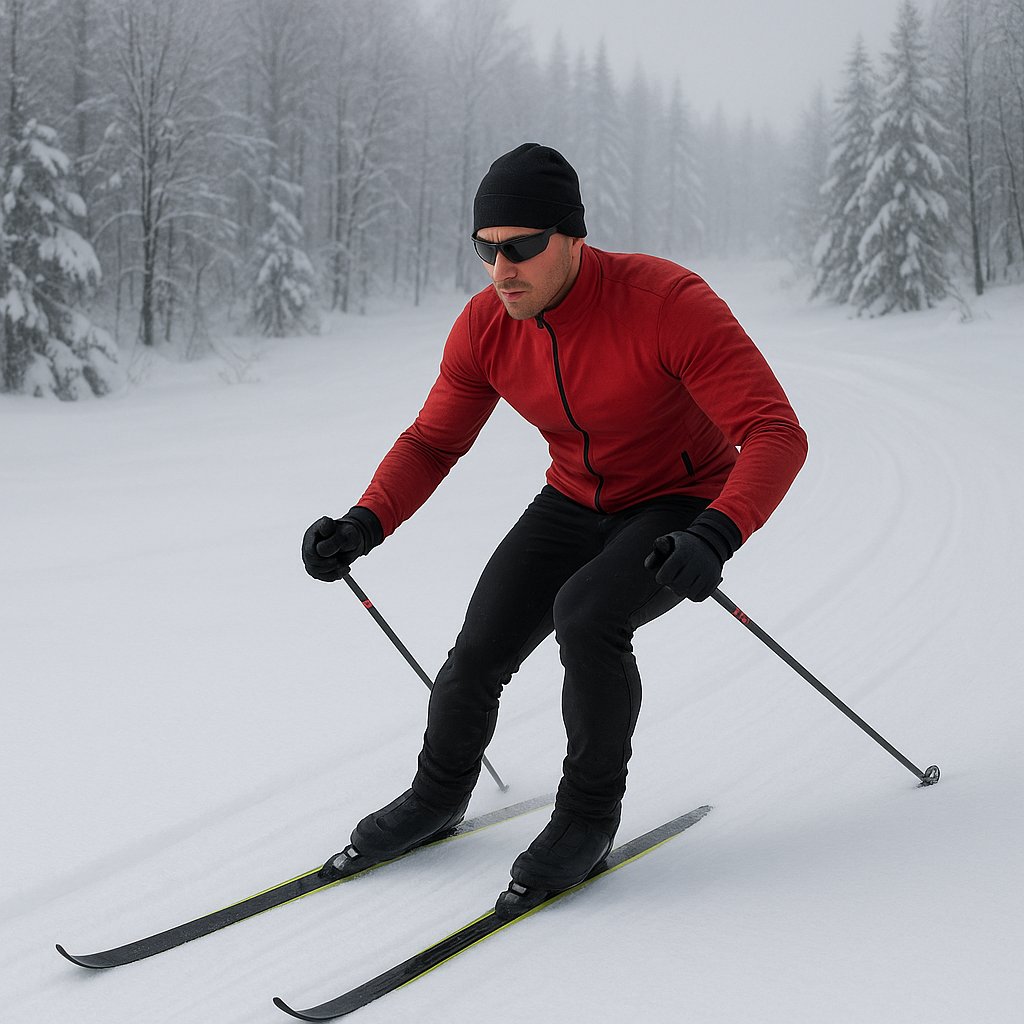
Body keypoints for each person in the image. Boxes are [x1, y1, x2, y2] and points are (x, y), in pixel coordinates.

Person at [302, 142, 807, 915]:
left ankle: (587, 818)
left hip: (677, 502)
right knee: (477, 649)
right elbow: (434, 441)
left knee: (589, 616)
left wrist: (717, 533)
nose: (501, 270)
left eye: (521, 249)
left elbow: (775, 431)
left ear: (572, 237)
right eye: (485, 249)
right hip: (573, 498)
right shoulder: (487, 327)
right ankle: (437, 796)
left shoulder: (667, 302)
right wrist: (364, 522)